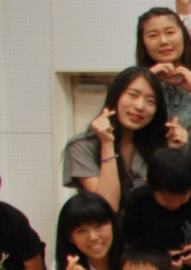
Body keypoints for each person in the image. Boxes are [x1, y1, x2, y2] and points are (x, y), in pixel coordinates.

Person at [61, 67, 184, 214]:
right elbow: (108, 206)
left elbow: (173, 202)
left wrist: (172, 153)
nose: (140, 106)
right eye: (133, 95)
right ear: (115, 96)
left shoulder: (159, 143)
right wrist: (107, 144)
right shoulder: (81, 146)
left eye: (150, 101)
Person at [134, 6, 191, 181]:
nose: (163, 41)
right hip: (147, 176)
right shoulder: (132, 86)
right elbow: (122, 130)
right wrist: (146, 82)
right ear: (143, 43)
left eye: (170, 32)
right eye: (153, 35)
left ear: (184, 36)